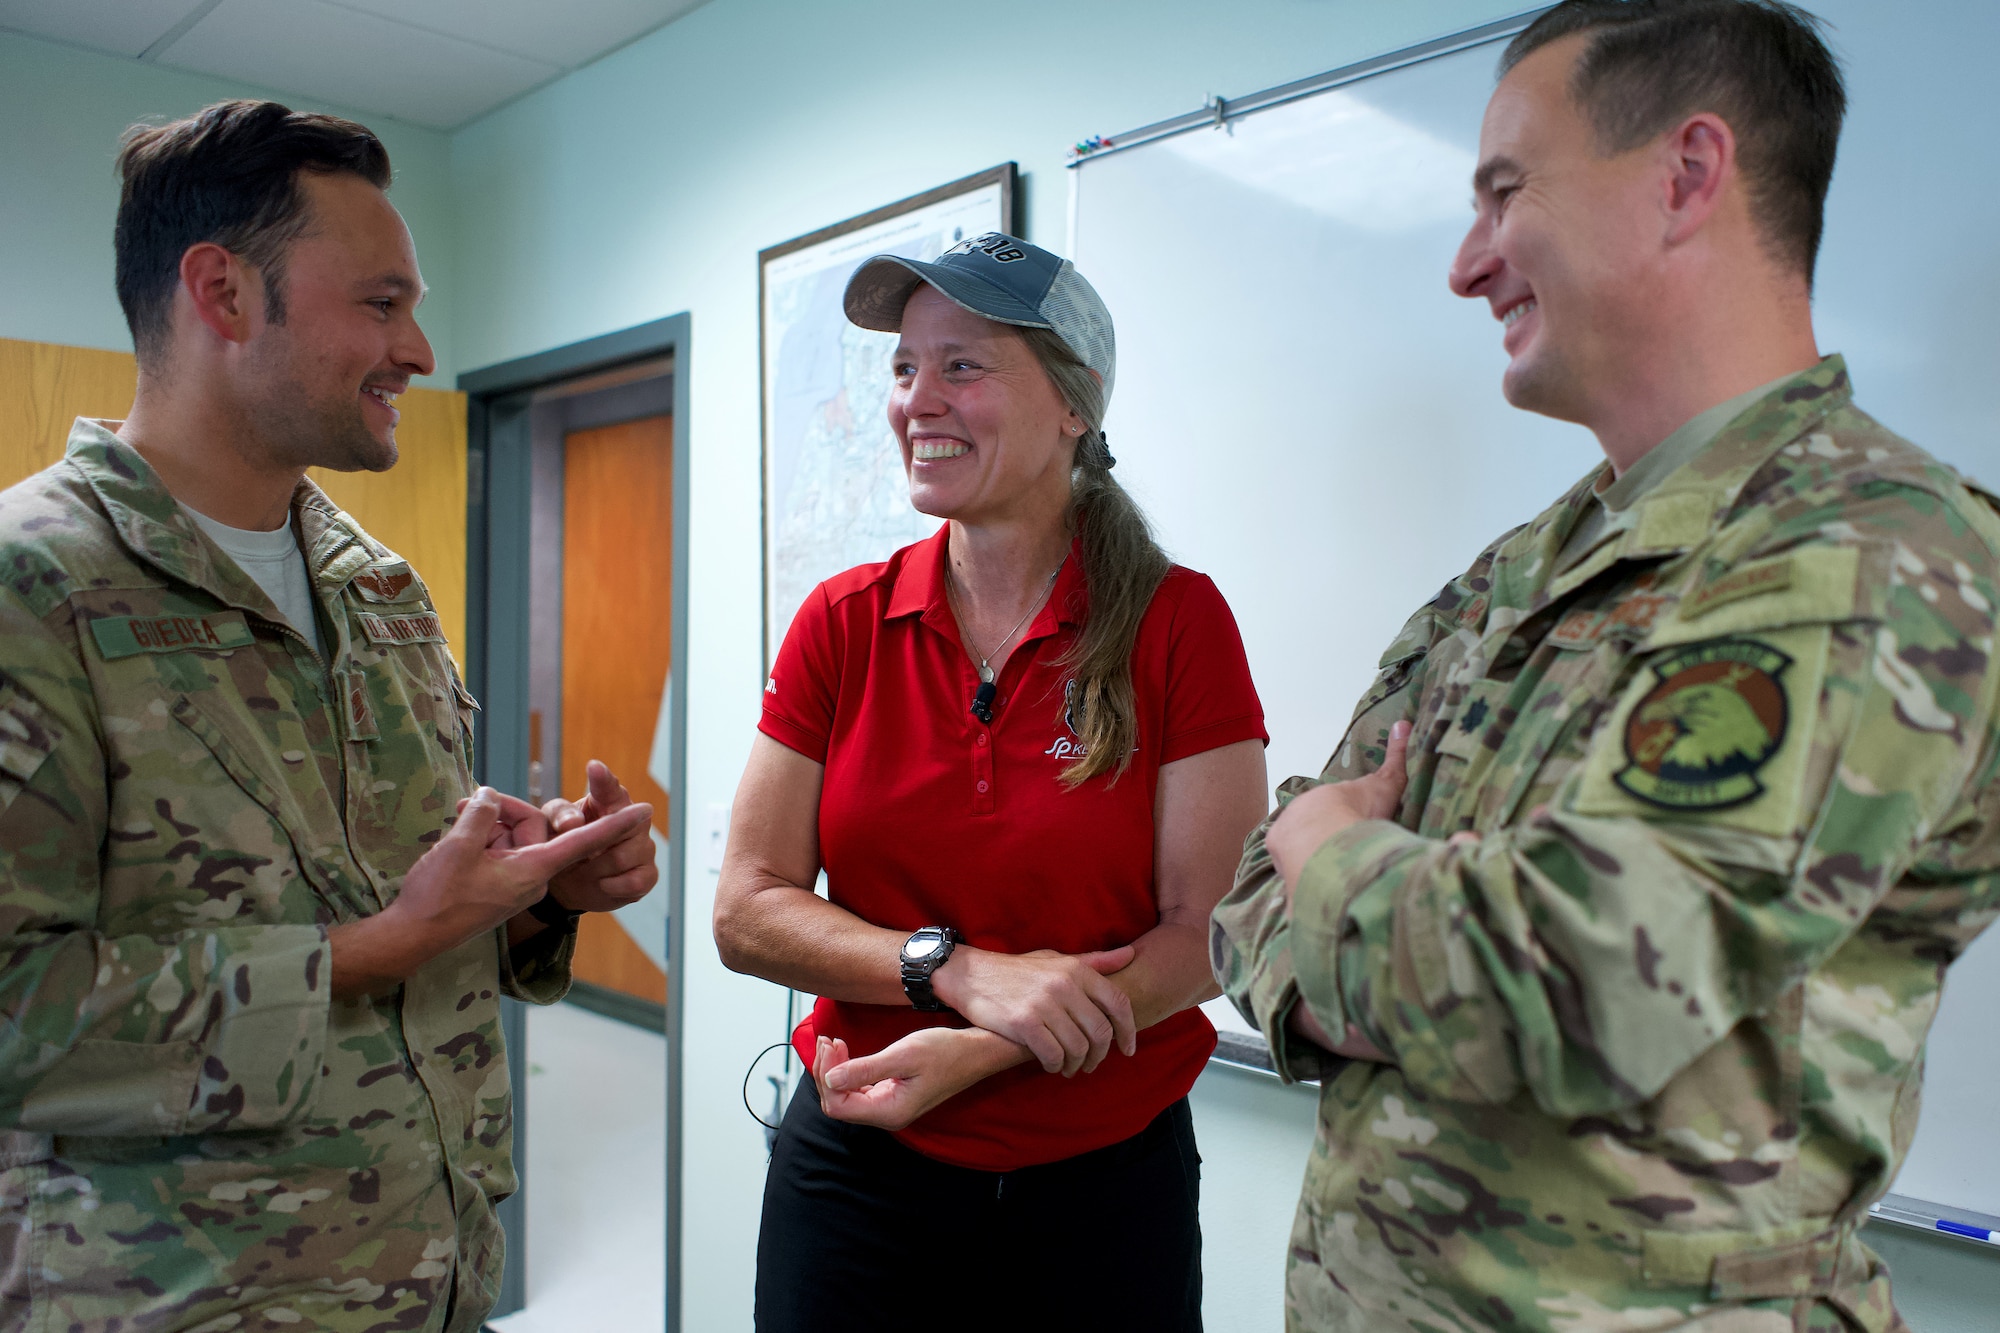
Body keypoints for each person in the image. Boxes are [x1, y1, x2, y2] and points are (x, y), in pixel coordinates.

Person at [1212, 2, 2000, 1330]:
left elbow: (1569, 988)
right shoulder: (1524, 566)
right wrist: (1369, 924)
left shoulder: (1882, 553)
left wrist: (1340, 865)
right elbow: (1252, 885)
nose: (1466, 266)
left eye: (1506, 192)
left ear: (1687, 176)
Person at [0, 101, 659, 1332]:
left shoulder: (376, 583)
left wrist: (539, 888)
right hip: (180, 1297)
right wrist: (374, 947)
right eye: (381, 302)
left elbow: (402, 889)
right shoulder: (32, 585)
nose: (417, 348)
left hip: (432, 1277)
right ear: (225, 293)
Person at [714, 233, 1269, 1332]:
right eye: (903, 367)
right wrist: (954, 973)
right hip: (859, 1173)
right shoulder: (842, 620)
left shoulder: (1175, 625)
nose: (919, 398)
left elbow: (1205, 931)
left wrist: (991, 1044)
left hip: (1102, 1190)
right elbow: (746, 909)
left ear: (1074, 402)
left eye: (961, 365)